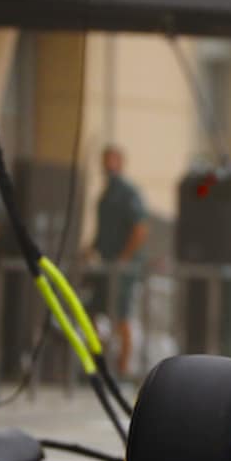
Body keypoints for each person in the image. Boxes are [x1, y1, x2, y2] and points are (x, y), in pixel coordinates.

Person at [90, 145, 149, 377]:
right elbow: (103, 232)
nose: (108, 165)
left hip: (123, 269)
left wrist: (124, 259)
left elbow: (140, 230)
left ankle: (123, 369)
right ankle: (101, 362)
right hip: (105, 265)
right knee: (94, 311)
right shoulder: (106, 194)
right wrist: (90, 249)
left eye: (113, 160)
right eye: (106, 160)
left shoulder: (127, 193)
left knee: (121, 315)